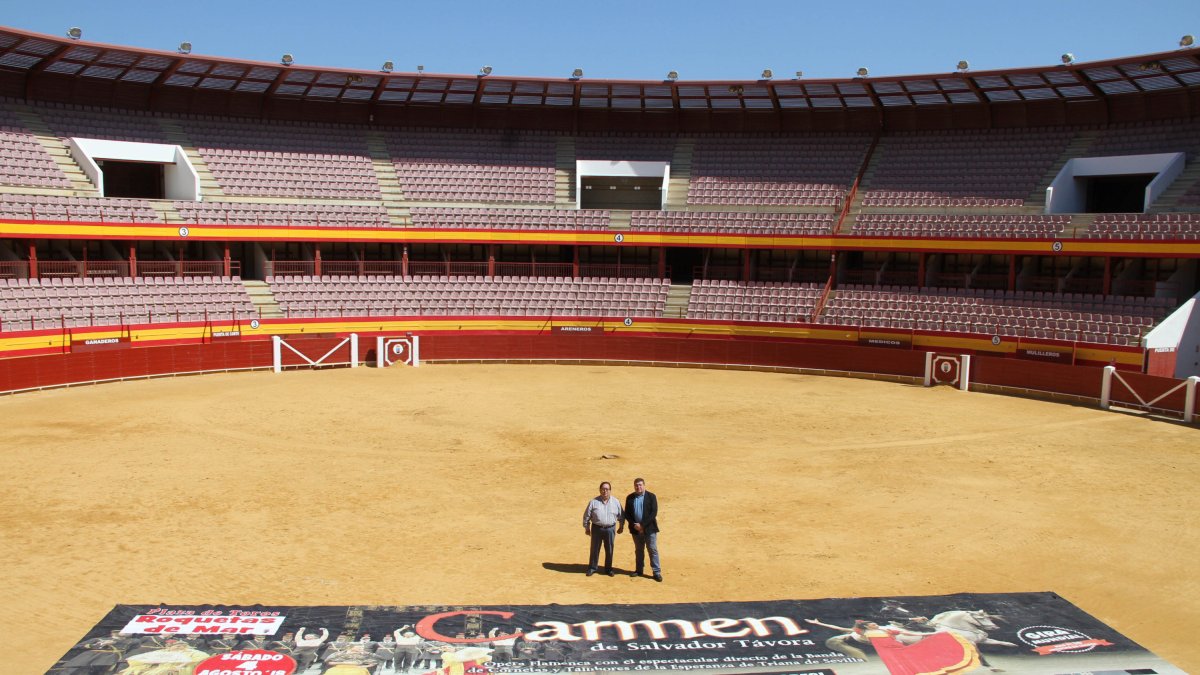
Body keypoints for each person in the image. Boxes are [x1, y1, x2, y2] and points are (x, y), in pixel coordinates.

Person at [623, 477, 662, 582]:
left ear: (644, 485)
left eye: (640, 485)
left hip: (649, 529)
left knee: (652, 550)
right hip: (635, 529)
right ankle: (639, 570)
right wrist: (634, 524)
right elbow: (627, 514)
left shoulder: (651, 496)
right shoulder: (630, 498)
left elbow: (653, 513)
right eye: (636, 485)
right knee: (639, 551)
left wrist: (642, 525)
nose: (638, 487)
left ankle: (656, 572)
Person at [582, 481, 623, 576]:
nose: (605, 491)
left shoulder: (616, 502)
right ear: (600, 490)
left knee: (609, 549)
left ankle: (608, 569)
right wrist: (587, 527)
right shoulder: (593, 502)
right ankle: (592, 567)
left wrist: (621, 526)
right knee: (594, 549)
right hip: (597, 528)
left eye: (607, 489)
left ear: (610, 490)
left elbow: (621, 516)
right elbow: (586, 516)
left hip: (610, 529)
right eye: (603, 489)